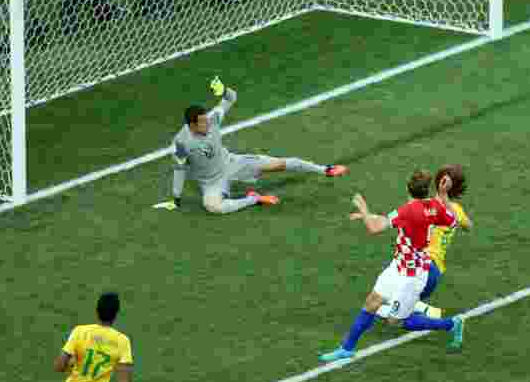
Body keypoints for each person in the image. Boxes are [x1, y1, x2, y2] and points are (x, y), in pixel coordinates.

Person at [319, 170, 465, 362]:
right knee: (371, 303)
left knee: (396, 321)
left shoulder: (406, 211)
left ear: (408, 189)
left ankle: (451, 324)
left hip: (412, 276)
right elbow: (454, 221)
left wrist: (363, 209)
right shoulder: (434, 207)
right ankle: (347, 348)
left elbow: (374, 228)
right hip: (400, 267)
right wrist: (444, 195)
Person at [168, 77, 348, 213]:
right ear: (192, 125)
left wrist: (223, 90)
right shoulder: (181, 142)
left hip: (231, 163)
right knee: (212, 207)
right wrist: (176, 197)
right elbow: (179, 169)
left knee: (278, 164)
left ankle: (325, 169)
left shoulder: (212, 119)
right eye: (202, 123)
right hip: (211, 183)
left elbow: (231, 97)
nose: (207, 124)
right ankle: (253, 199)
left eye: (206, 120)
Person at [415, 165, 473, 318]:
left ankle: (446, 321)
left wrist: (442, 194)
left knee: (392, 307)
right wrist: (444, 196)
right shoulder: (456, 210)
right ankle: (438, 317)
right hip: (435, 270)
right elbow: (468, 226)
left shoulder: (427, 206)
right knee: (399, 310)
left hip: (422, 266)